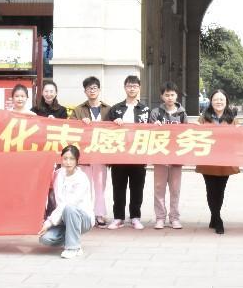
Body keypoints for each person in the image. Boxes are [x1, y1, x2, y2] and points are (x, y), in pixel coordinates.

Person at [106, 75, 150, 230]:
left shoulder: (145, 109)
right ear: (125, 88)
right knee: (118, 187)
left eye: (135, 86)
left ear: (139, 88)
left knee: (137, 188)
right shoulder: (115, 109)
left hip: (138, 154)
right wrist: (114, 123)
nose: (132, 89)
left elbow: (152, 130)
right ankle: (118, 217)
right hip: (119, 155)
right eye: (129, 86)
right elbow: (105, 128)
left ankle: (135, 217)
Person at [196, 89, 240, 234]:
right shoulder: (203, 118)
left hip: (225, 160)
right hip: (208, 160)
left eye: (221, 99)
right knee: (210, 190)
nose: (219, 102)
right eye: (216, 99)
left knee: (220, 190)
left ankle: (214, 216)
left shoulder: (232, 119)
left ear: (226, 101)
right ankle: (218, 219)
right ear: (211, 101)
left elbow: (238, 138)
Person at [39, 145, 94, 259]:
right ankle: (72, 238)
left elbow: (67, 204)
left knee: (69, 208)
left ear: (77, 160)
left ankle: (73, 247)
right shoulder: (59, 174)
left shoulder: (81, 178)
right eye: (65, 158)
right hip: (63, 219)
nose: (68, 162)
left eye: (72, 159)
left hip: (83, 219)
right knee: (45, 239)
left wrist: (49, 222)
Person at [70, 76, 110, 226]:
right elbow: (70, 127)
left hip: (101, 153)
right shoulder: (78, 110)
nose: (92, 91)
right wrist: (80, 123)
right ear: (85, 91)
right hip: (85, 154)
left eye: (94, 88)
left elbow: (115, 128)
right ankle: (85, 214)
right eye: (89, 88)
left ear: (99, 90)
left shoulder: (108, 109)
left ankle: (99, 214)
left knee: (100, 185)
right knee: (84, 185)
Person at [148, 81, 188, 230]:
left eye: (172, 95)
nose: (170, 97)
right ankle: (160, 218)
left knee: (175, 189)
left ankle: (174, 218)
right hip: (160, 155)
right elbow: (148, 133)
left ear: (177, 96)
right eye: (167, 95)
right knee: (159, 188)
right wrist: (154, 127)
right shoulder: (155, 112)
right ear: (162, 96)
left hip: (176, 156)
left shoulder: (182, 113)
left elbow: (187, 134)